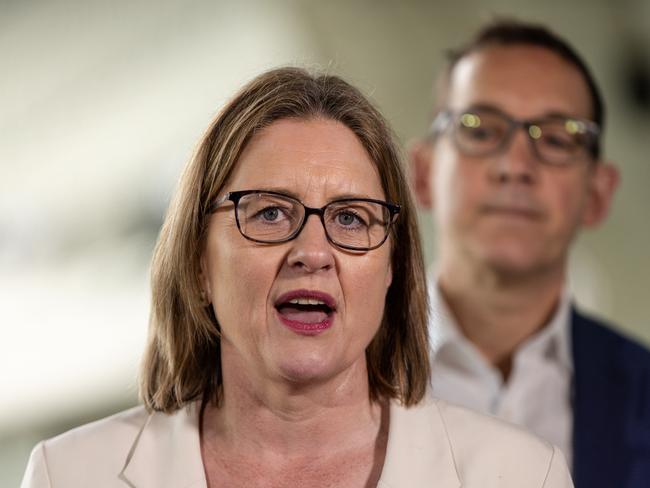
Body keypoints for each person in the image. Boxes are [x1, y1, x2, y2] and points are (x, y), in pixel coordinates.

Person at [21, 67, 572, 488]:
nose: (313, 251)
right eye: (269, 213)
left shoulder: (521, 474)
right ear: (197, 261)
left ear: (392, 269)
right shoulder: (69, 474)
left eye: (351, 218)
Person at [409, 20, 650, 488]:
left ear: (598, 194)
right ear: (422, 174)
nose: (516, 165)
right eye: (478, 129)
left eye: (558, 139)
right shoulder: (336, 370)